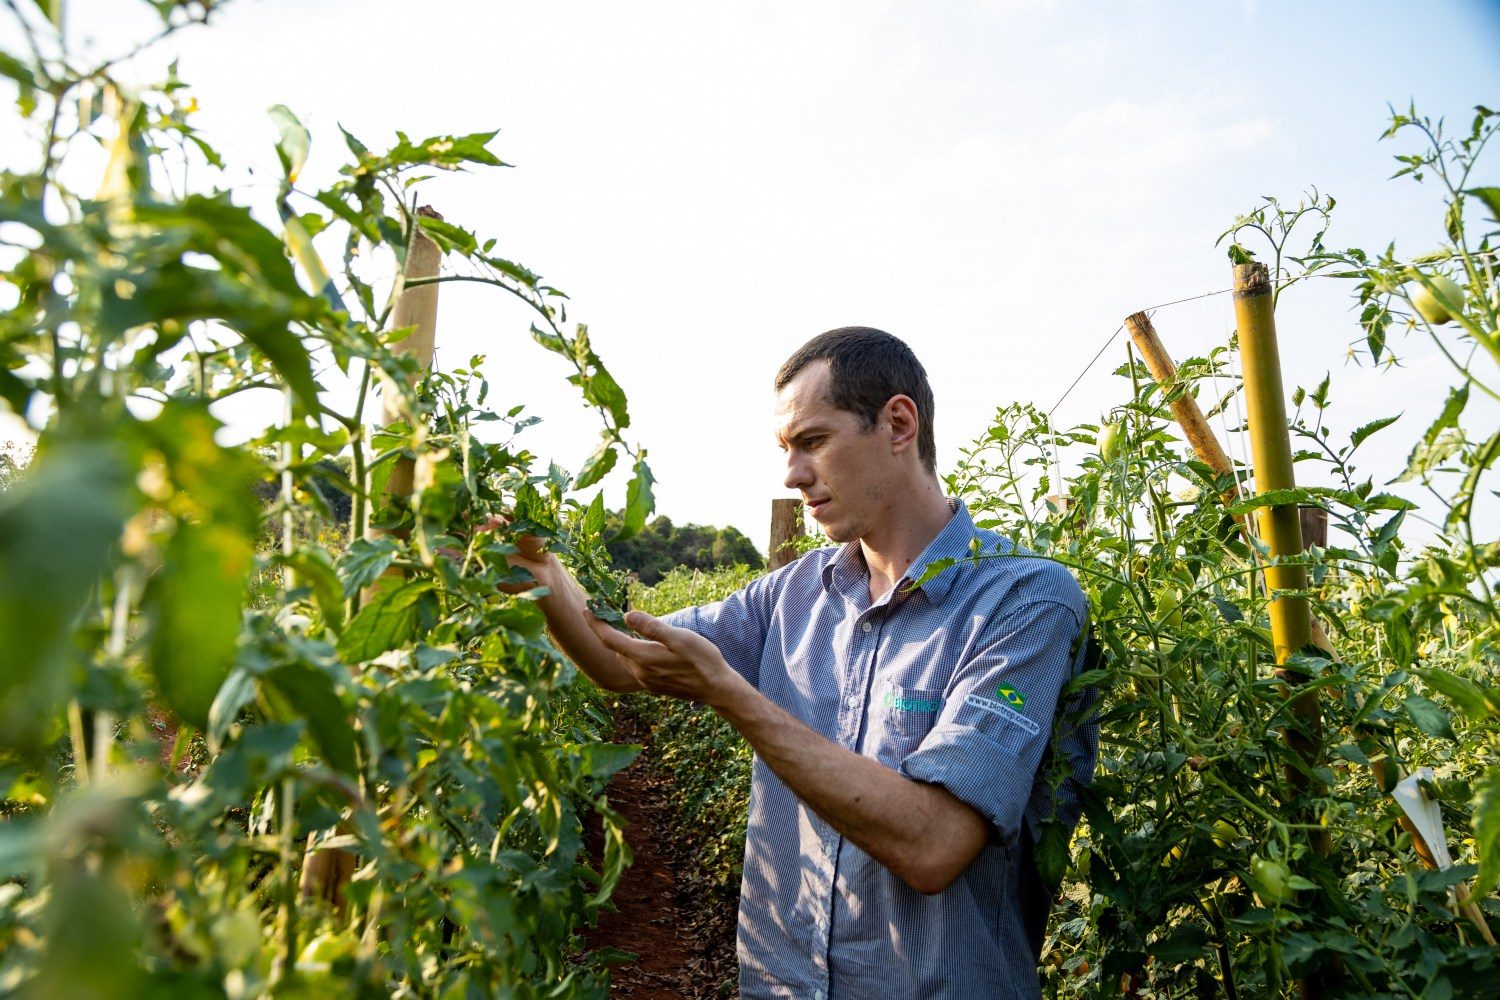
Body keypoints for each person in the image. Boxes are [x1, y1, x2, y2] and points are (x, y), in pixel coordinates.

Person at [507, 327, 1098, 999]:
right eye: (786, 450)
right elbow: (622, 661)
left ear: (898, 424)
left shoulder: (1024, 601)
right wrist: (537, 570)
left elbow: (934, 845)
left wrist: (734, 696)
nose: (793, 474)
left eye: (813, 441)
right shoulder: (794, 591)